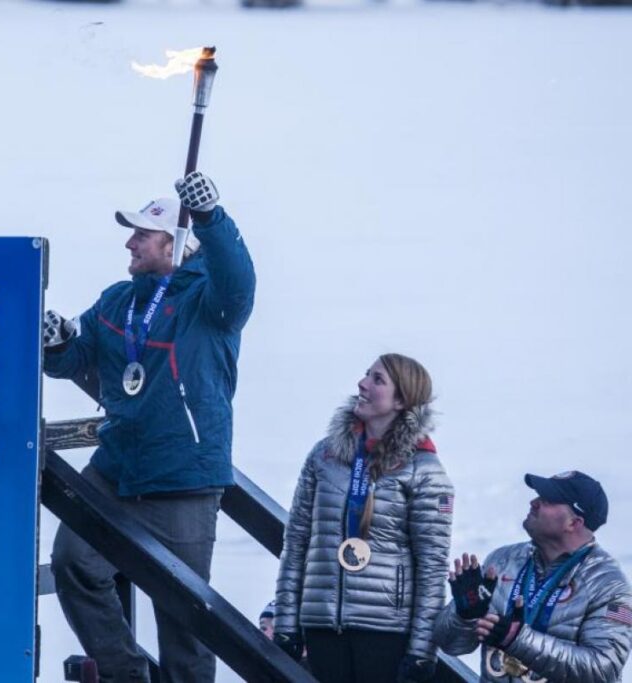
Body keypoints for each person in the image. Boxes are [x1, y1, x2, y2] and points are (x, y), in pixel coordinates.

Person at [43, 171, 255, 683]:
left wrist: (209, 216)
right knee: (74, 562)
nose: (129, 242)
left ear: (174, 244)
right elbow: (75, 358)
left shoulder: (209, 302)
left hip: (184, 478)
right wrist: (58, 341)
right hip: (116, 470)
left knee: (185, 618)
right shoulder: (118, 300)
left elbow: (239, 280)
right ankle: (126, 674)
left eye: (141, 234)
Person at [272, 354, 453, 683]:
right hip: (321, 623)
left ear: (401, 400)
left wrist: (422, 650)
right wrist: (286, 622)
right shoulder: (325, 455)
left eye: (377, 379)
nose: (362, 383)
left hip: (386, 631)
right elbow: (296, 542)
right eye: (366, 374)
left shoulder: (425, 470)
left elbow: (432, 567)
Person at [433, 471, 632, 682]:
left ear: (574, 523)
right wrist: (464, 616)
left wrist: (517, 638)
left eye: (547, 500)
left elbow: (604, 668)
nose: (533, 502)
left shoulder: (610, 586)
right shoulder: (502, 561)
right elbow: (450, 645)